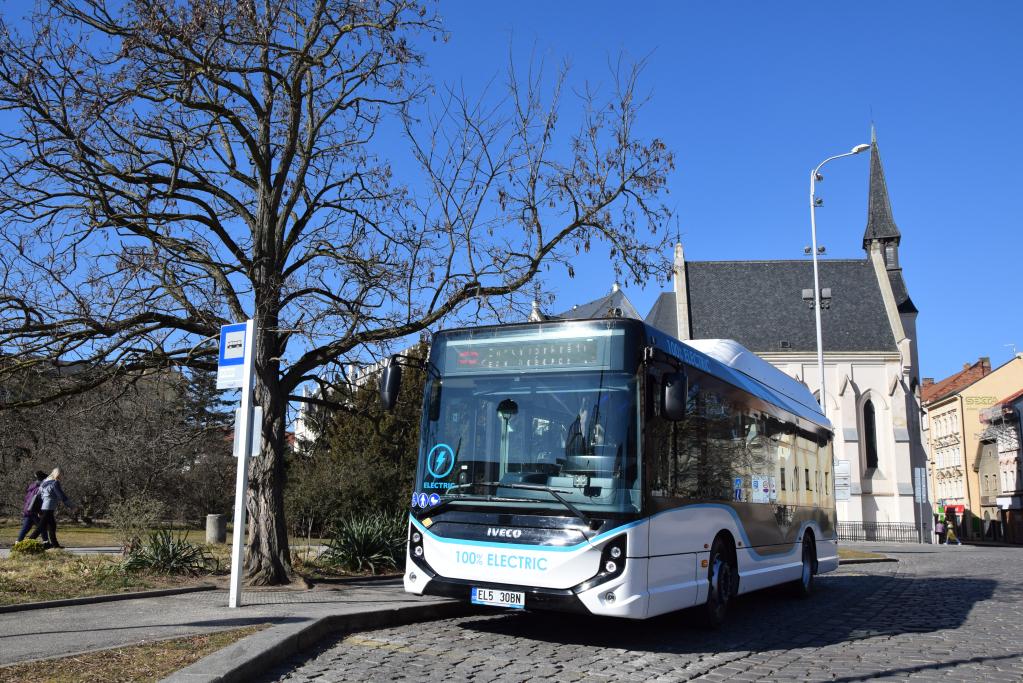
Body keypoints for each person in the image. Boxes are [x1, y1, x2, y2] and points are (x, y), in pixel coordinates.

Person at [29, 468, 75, 549]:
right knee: (40, 527)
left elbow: (40, 495)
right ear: (58, 474)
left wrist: (39, 509)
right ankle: (28, 543)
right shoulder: (55, 483)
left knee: (52, 526)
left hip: (44, 507)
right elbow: (61, 496)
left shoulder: (45, 482)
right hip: (49, 508)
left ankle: (55, 545)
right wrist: (72, 506)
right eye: (61, 475)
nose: (62, 477)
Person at [16, 470, 50, 543]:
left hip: (28, 510)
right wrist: (40, 511)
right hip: (34, 510)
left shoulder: (32, 487)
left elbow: (26, 499)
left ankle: (18, 543)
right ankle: (46, 543)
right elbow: (39, 501)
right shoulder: (40, 488)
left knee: (25, 528)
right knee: (42, 527)